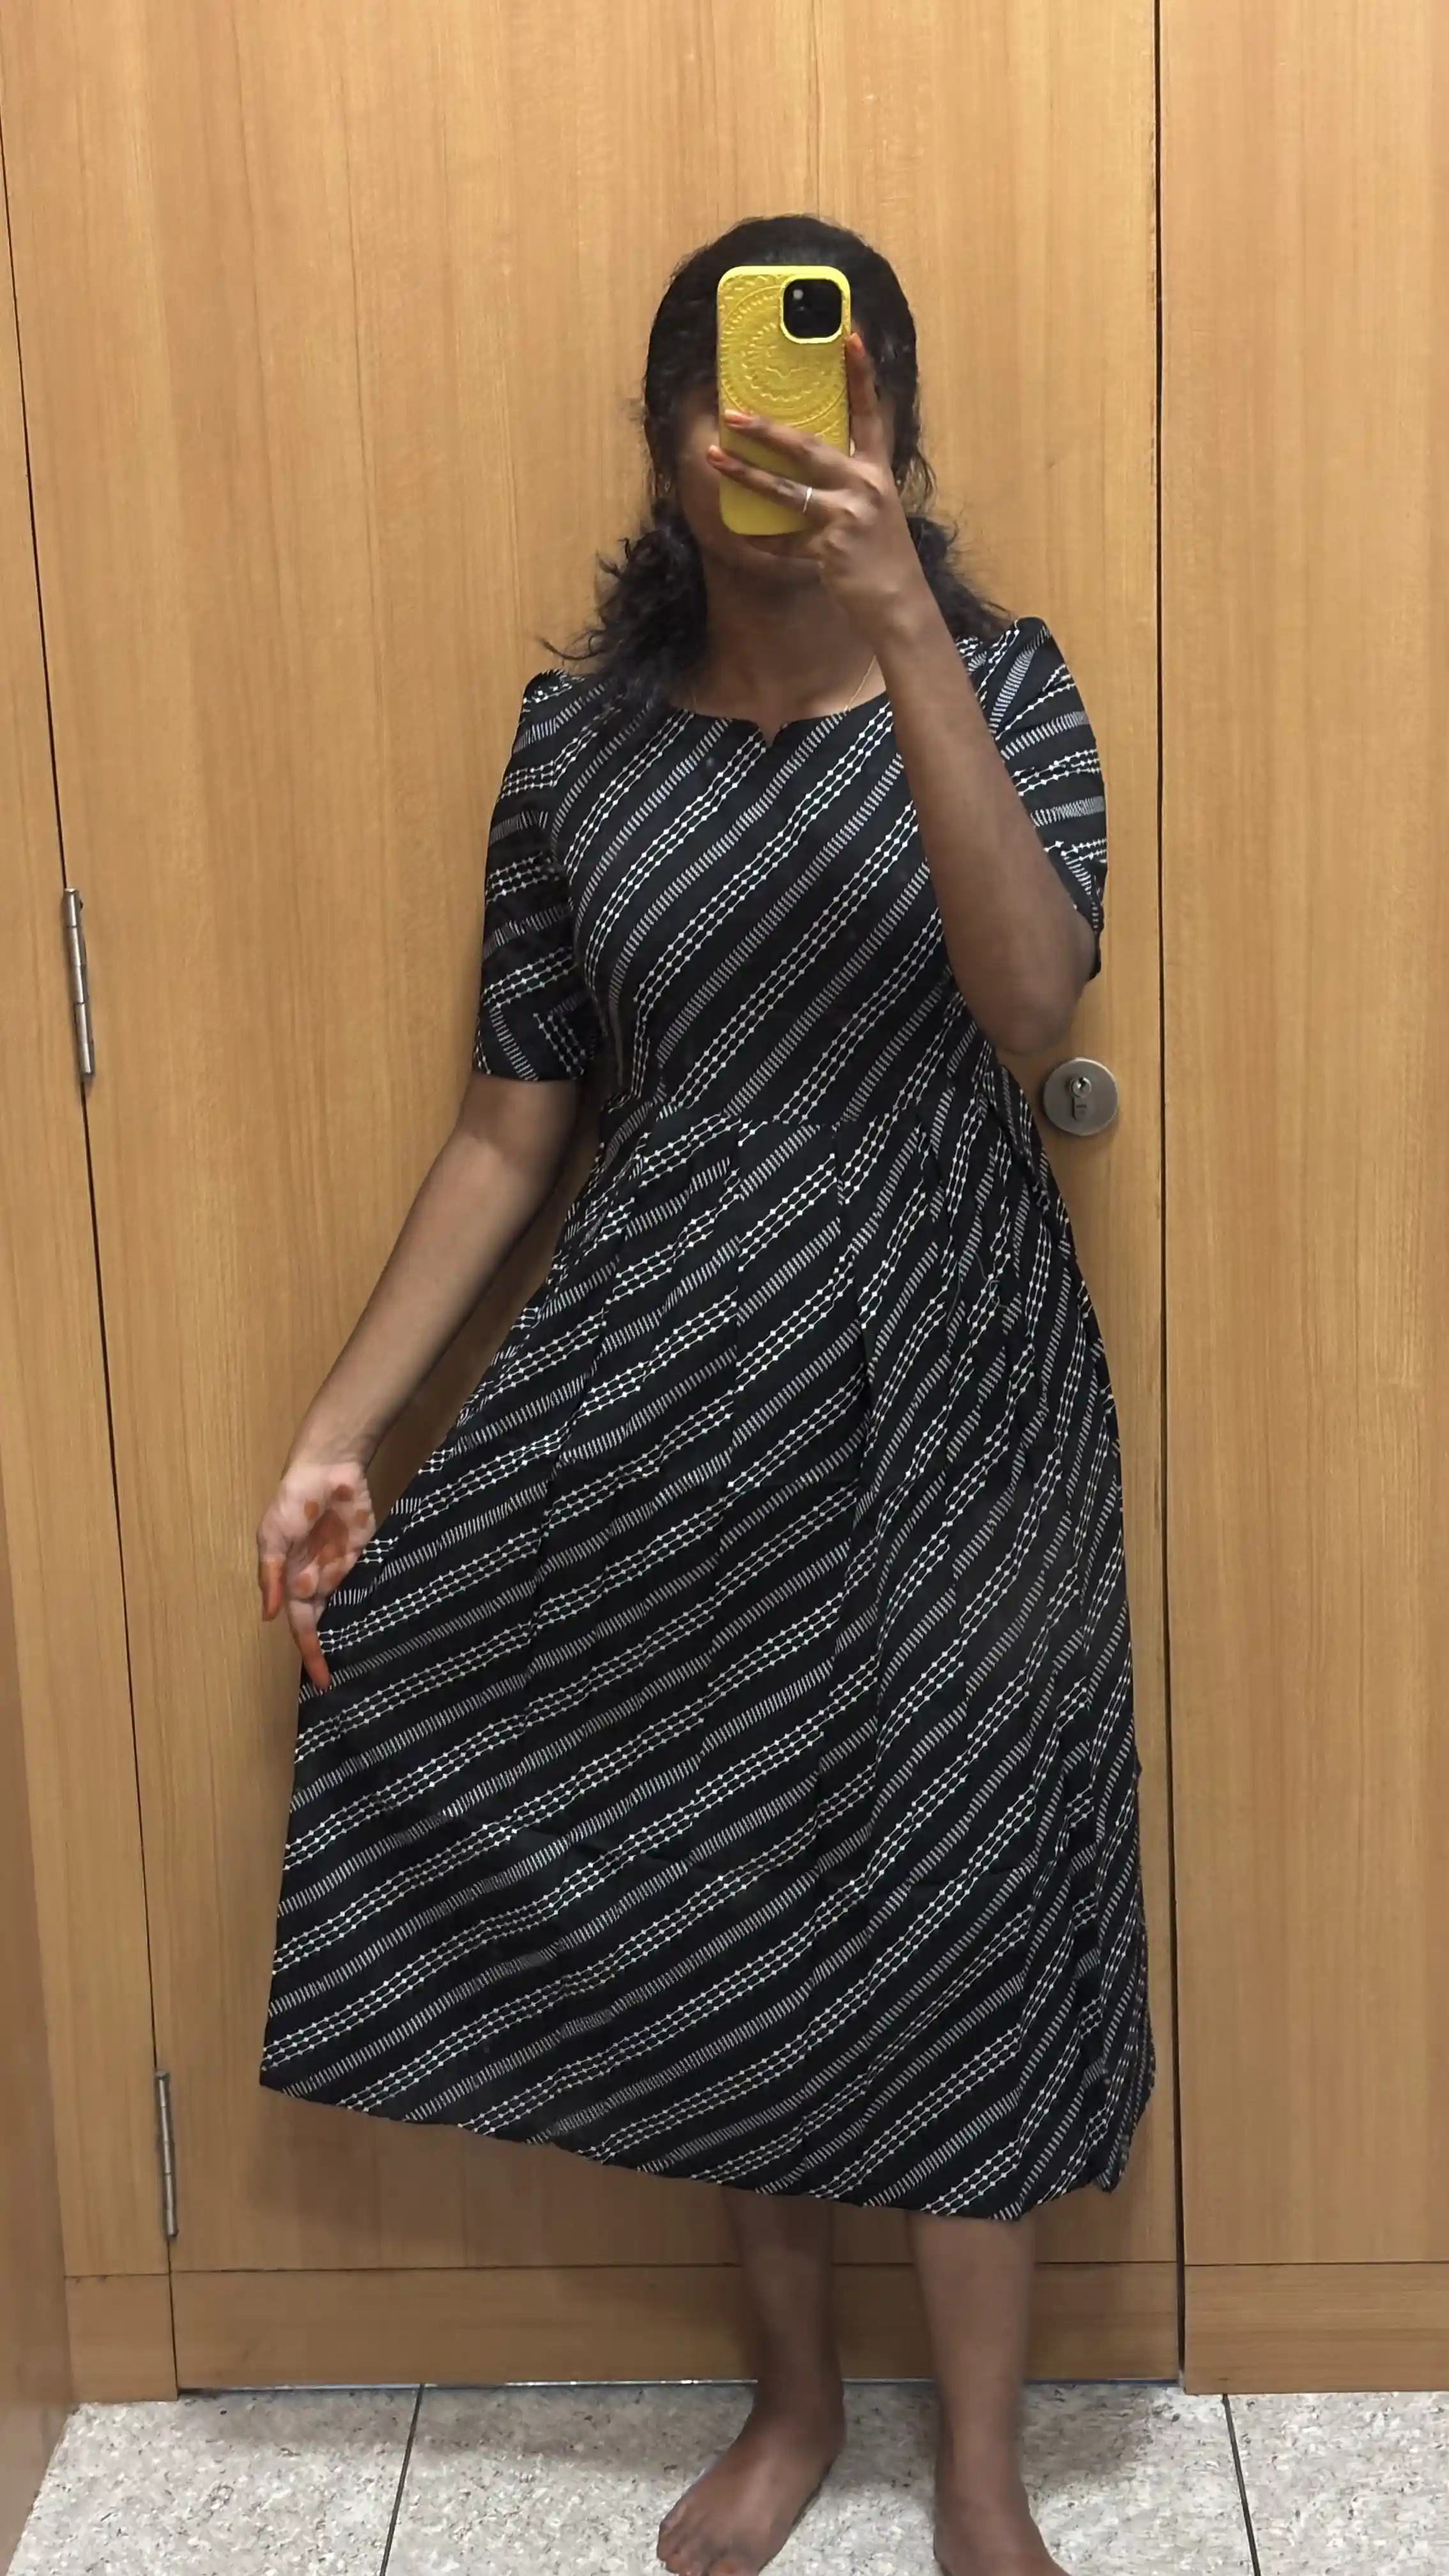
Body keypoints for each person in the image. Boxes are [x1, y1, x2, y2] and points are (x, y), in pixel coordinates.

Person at [255, 212, 1154, 2576]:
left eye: (827, 402)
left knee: (964, 1879)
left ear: (896, 430)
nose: (771, 447)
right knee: (716, 1870)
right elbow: (508, 1122)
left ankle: (978, 2469)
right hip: (663, 1362)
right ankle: (790, 2402)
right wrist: (341, 1427)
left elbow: (1032, 1000)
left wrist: (902, 633)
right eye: (727, 406)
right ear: (662, 439)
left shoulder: (1008, 678)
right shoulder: (575, 741)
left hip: (961, 1363)